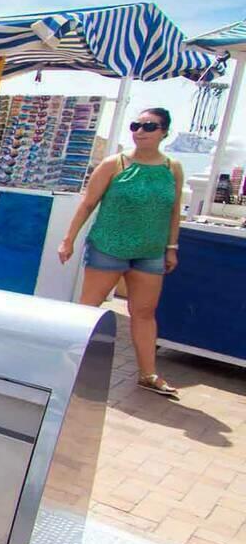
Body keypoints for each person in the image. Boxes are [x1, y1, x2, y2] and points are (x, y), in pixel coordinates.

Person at [58, 108, 183, 397]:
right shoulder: (115, 163)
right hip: (109, 246)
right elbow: (88, 203)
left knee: (144, 312)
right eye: (136, 125)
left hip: (150, 250)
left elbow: (174, 210)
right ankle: (66, 365)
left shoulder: (172, 168)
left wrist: (172, 247)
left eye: (149, 126)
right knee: (88, 308)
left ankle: (148, 374)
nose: (140, 130)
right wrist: (69, 239)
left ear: (164, 131)